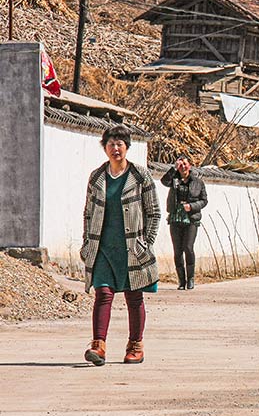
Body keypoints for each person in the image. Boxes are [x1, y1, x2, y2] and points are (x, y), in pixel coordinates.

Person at [80, 125, 161, 366]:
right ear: (104, 148)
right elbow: (88, 212)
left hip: (132, 247)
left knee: (133, 296)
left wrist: (146, 243)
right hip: (103, 246)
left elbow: (154, 212)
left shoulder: (139, 176)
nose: (115, 148)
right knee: (102, 294)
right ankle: (98, 345)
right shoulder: (96, 177)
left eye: (120, 144)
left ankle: (135, 345)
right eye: (111, 144)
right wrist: (86, 243)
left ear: (127, 147)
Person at [160, 156, 208, 290]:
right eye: (180, 165)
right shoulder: (174, 179)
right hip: (176, 217)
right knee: (177, 250)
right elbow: (164, 181)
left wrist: (192, 206)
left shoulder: (198, 182)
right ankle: (181, 281)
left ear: (190, 166)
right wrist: (173, 168)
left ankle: (191, 278)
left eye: (185, 164)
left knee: (188, 247)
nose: (183, 167)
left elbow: (204, 200)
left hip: (191, 218)